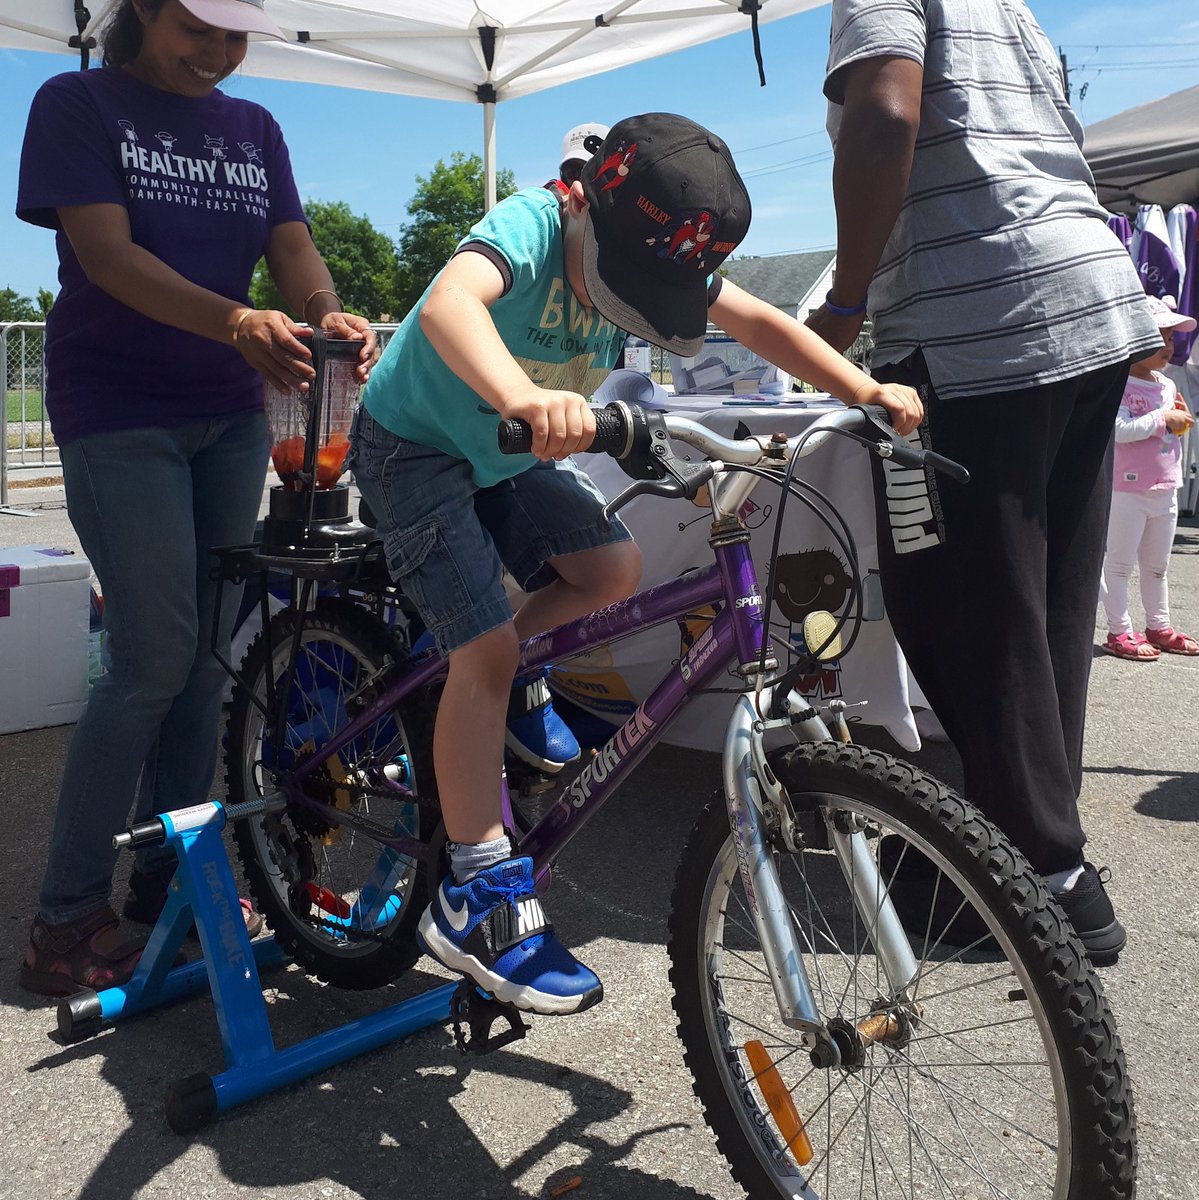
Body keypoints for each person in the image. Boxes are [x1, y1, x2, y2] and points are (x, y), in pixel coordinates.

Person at [349, 111, 923, 1015]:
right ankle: (473, 889)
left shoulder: (654, 242)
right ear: (583, 203)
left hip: (506, 453)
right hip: (415, 447)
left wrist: (861, 388)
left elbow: (759, 320)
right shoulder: (533, 223)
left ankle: (490, 682)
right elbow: (451, 304)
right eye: (623, 284)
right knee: (485, 650)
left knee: (610, 571)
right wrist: (523, 394)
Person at [15, 0, 376, 996]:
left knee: (210, 656)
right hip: (118, 410)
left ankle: (172, 884)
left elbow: (292, 247)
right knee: (151, 656)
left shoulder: (253, 127)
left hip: (231, 414)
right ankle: (64, 918)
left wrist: (324, 310)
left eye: (234, 34)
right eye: (196, 27)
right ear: (142, 7)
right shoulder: (77, 103)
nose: (217, 52)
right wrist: (238, 321)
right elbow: (106, 257)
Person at [805, 0, 1163, 963]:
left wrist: (845, 300)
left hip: (975, 326)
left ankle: (1041, 877)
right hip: (1086, 301)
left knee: (962, 607)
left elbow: (885, 114)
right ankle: (1010, 844)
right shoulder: (1007, 9)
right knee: (1044, 608)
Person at [1101, 295, 1197, 659]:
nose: (1168, 346)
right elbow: (1119, 429)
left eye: (1171, 338)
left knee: (1158, 567)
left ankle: (1159, 626)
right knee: (1120, 565)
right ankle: (1119, 631)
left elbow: (1169, 427)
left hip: (1165, 487)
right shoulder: (1120, 384)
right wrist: (1163, 420)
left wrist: (1178, 421)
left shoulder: (1166, 384)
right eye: (1159, 338)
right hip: (1127, 489)